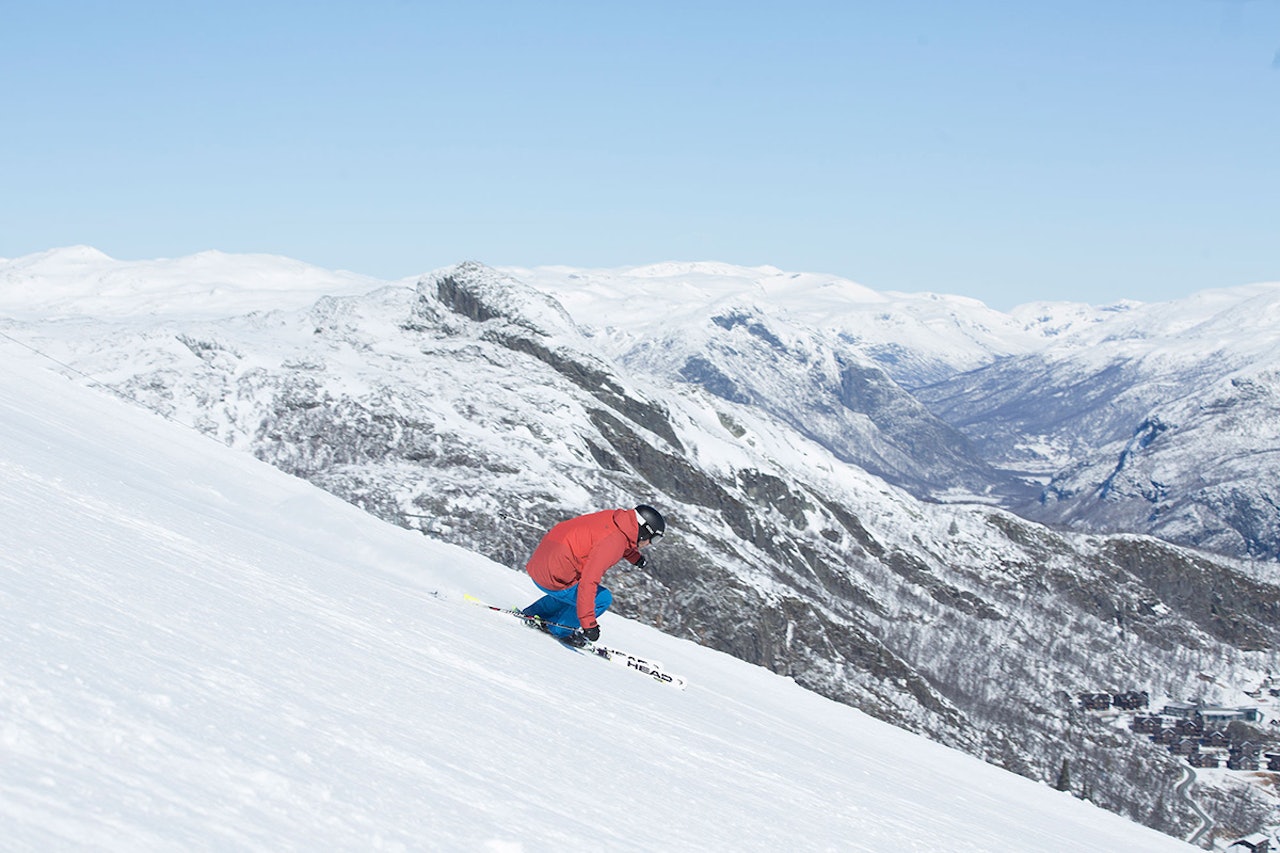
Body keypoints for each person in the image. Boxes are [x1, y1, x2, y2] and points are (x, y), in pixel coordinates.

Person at [521, 504, 666, 646]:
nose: (650, 544)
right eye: (653, 539)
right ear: (644, 531)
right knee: (602, 598)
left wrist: (635, 557)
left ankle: (535, 613)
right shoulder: (614, 542)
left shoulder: (615, 519)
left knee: (573, 589)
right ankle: (561, 629)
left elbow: (613, 540)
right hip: (554, 576)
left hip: (541, 563)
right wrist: (588, 623)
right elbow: (589, 582)